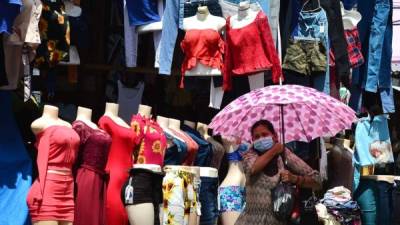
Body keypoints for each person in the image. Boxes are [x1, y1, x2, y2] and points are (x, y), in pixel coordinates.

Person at [234, 119, 322, 225]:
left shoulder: (284, 154)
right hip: (251, 221)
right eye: (257, 137)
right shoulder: (249, 155)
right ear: (252, 139)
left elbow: (317, 180)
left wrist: (295, 179)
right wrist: (275, 149)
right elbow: (253, 168)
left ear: (274, 136)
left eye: (265, 134)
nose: (261, 139)